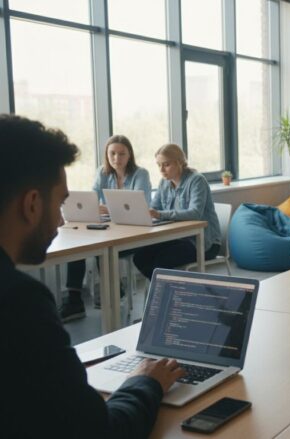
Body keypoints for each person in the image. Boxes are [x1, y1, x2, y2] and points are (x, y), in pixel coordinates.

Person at [0, 114, 184, 438]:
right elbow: (103, 432)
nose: (60, 220)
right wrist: (146, 381)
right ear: (31, 204)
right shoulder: (20, 302)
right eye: (60, 204)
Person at [59, 134, 152, 322]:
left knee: (103, 248)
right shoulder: (103, 172)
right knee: (78, 245)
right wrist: (97, 206)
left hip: (136, 232)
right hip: (111, 228)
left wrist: (106, 207)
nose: (117, 158)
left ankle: (115, 292)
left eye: (121, 154)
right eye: (112, 153)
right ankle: (75, 300)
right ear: (106, 155)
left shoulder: (140, 174)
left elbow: (140, 205)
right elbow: (92, 199)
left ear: (129, 155)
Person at [132, 144, 221, 279]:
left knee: (161, 261)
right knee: (140, 257)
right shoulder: (164, 182)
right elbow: (154, 207)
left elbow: (195, 213)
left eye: (166, 165)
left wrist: (160, 214)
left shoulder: (197, 180)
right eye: (159, 165)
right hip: (179, 238)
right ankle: (164, 290)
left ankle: (165, 293)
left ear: (180, 162)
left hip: (203, 242)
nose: (161, 170)